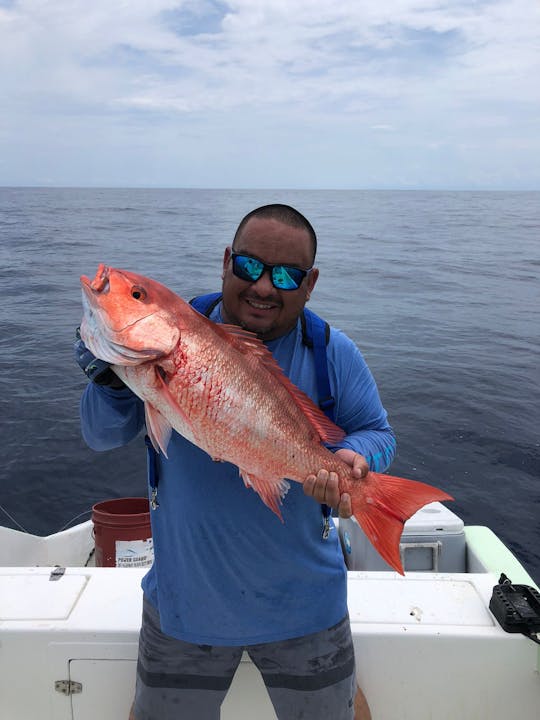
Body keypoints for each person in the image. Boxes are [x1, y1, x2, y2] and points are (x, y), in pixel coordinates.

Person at [77, 204, 396, 720]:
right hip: (184, 604)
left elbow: (378, 434)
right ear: (226, 261)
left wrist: (355, 460)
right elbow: (100, 435)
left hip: (307, 607)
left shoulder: (334, 354)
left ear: (310, 284)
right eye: (249, 266)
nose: (264, 287)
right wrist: (110, 379)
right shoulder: (182, 335)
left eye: (288, 275)